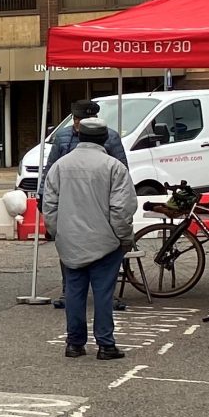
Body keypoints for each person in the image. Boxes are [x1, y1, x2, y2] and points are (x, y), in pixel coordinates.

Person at [40, 116, 136, 361]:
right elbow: (121, 209)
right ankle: (105, 345)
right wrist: (124, 237)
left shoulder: (60, 166)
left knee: (74, 293)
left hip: (70, 240)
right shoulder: (114, 167)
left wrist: (57, 232)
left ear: (79, 136)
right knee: (103, 294)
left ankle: (74, 343)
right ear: (105, 139)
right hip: (105, 241)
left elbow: (49, 206)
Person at [44, 98, 128, 173]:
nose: (77, 122)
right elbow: (50, 169)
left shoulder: (111, 137)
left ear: (93, 119)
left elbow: (122, 171)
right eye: (75, 118)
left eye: (81, 119)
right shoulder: (62, 136)